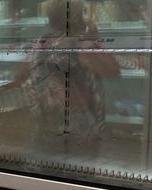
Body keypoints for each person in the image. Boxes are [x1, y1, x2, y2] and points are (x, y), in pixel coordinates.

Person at [9, 0, 120, 154]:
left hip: (45, 125)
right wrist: (95, 39)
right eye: (82, 13)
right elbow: (113, 70)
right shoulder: (82, 46)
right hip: (79, 133)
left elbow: (19, 76)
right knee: (77, 174)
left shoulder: (41, 42)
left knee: (45, 172)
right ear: (76, 18)